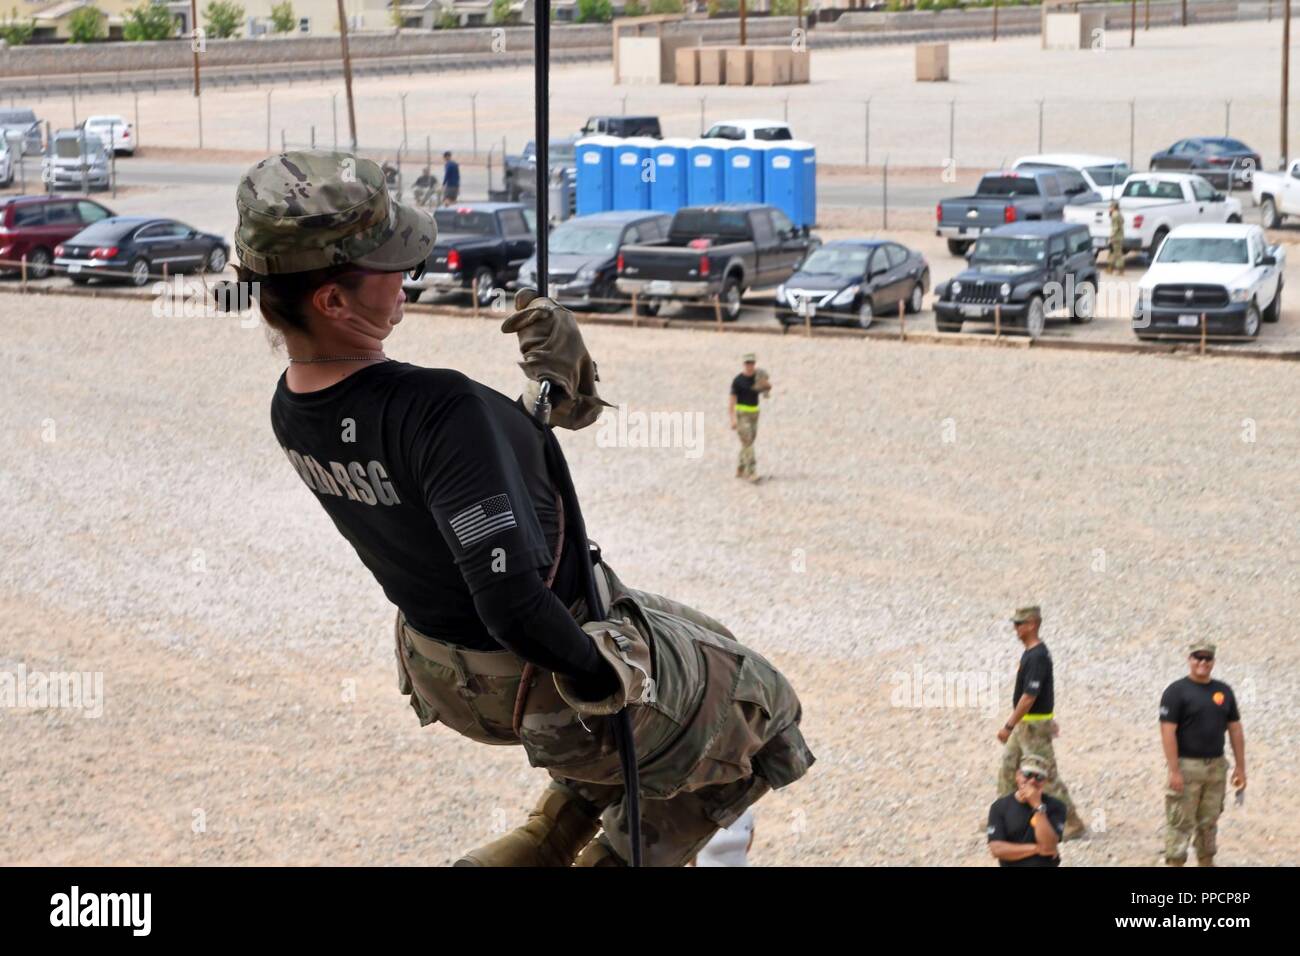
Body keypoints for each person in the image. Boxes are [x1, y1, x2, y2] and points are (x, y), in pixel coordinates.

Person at [229, 150, 814, 867]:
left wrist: (542, 402)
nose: (406, 273)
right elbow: (510, 596)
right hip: (530, 670)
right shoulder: (440, 409)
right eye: (389, 263)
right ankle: (618, 854)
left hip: (446, 670)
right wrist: (605, 680)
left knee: (685, 629)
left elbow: (446, 483)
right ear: (333, 302)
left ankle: (548, 837)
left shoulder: (294, 406)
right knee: (760, 709)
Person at [996, 606, 1086, 841]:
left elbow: (1030, 696)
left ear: (1033, 624)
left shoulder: (1037, 656)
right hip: (1026, 724)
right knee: (1009, 766)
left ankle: (1071, 823)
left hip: (1033, 726)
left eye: (1020, 624)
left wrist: (1008, 725)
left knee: (1045, 777)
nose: (1016, 629)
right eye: (1015, 624)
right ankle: (1006, 817)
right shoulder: (1031, 653)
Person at [1160, 641, 1245, 867]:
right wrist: (1174, 770)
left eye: (1207, 658)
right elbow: (1167, 731)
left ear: (1213, 662)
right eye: (1198, 657)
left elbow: (1235, 728)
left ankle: (1206, 862)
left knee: (1209, 822)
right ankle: (1174, 863)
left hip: (1216, 767)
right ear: (1190, 660)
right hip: (1187, 767)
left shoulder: (1223, 691)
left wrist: (1240, 767)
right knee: (1180, 823)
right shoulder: (1176, 692)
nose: (1202, 662)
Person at [987, 754, 1067, 867]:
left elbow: (1049, 845)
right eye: (1027, 775)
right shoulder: (999, 807)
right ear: (1017, 776)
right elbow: (997, 849)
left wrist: (1038, 806)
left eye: (1039, 777)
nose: (1032, 781)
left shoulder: (1056, 807)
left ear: (1044, 782)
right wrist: (1037, 848)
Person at [729, 353, 771, 482]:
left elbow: (766, 390)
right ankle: (751, 472)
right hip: (742, 414)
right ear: (744, 364)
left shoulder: (758, 377)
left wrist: (767, 387)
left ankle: (740, 468)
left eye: (751, 363)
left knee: (748, 442)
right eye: (747, 363)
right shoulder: (738, 381)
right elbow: (732, 401)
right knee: (748, 443)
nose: (749, 366)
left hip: (754, 414)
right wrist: (733, 419)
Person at [1107, 200, 1125, 274]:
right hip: (1119, 236)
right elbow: (1123, 221)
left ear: (1113, 207)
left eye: (1110, 207)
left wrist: (1111, 237)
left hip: (1116, 237)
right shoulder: (1118, 214)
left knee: (1117, 254)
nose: (1109, 208)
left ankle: (1120, 270)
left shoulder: (1115, 215)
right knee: (1112, 252)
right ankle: (1110, 268)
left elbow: (1115, 227)